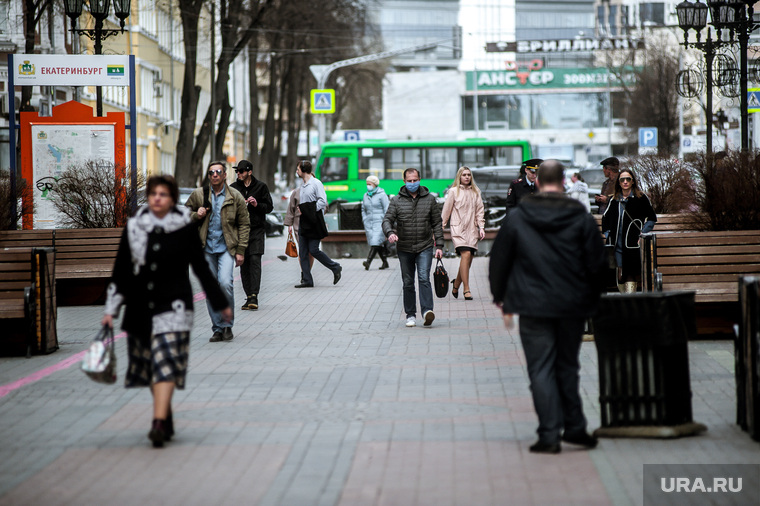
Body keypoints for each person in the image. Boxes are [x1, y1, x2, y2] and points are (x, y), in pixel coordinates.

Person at [102, 175, 232, 448]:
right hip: (139, 307)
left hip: (174, 306)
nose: (157, 198)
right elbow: (122, 270)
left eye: (163, 194)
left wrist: (221, 303)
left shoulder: (183, 227)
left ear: (172, 199)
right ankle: (165, 411)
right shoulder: (135, 226)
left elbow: (200, 268)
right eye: (153, 194)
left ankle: (158, 422)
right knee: (151, 366)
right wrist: (111, 309)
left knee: (166, 361)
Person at [489, 159, 606, 454]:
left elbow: (499, 259)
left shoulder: (518, 217)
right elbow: (597, 263)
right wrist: (593, 300)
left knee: (540, 368)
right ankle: (576, 428)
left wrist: (500, 297)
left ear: (538, 182)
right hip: (571, 304)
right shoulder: (579, 215)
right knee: (567, 366)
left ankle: (549, 435)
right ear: (564, 182)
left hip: (532, 303)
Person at [185, 161, 249, 342]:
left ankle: (227, 325)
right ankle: (218, 328)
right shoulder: (199, 194)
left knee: (225, 283)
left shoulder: (234, 196)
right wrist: (195, 215)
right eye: (211, 172)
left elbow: (244, 224)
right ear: (208, 175)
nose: (214, 175)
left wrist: (241, 250)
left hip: (226, 249)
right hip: (205, 249)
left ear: (224, 175)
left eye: (218, 172)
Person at [382, 168, 444, 328]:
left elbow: (437, 223)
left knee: (424, 278)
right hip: (404, 247)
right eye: (409, 181)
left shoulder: (430, 199)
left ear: (420, 179)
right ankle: (410, 315)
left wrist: (440, 245)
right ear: (404, 182)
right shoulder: (396, 200)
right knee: (408, 282)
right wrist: (390, 233)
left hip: (425, 246)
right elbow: (387, 220)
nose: (412, 183)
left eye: (415, 180)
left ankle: (427, 311)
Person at [601, 168, 657, 293]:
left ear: (632, 182)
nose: (625, 182)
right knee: (620, 275)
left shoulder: (641, 198)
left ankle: (630, 301)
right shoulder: (613, 200)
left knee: (630, 273)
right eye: (622, 179)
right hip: (616, 243)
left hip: (633, 243)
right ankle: (624, 298)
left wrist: (643, 233)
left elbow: (652, 218)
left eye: (628, 179)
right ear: (619, 183)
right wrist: (607, 234)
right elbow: (605, 218)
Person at [230, 159, 273, 311]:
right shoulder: (233, 188)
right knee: (244, 263)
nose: (238, 174)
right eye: (237, 171)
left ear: (249, 172)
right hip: (240, 231)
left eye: (241, 171)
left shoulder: (261, 187)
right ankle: (248, 296)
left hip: (256, 230)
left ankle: (254, 295)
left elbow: (269, 207)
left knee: (255, 260)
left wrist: (256, 205)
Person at [293, 160, 342, 288]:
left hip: (314, 221)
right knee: (302, 252)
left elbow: (322, 201)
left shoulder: (316, 183)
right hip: (304, 220)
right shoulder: (303, 184)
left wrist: (307, 209)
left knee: (313, 250)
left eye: (298, 169)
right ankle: (307, 280)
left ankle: (335, 267)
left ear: (303, 170)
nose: (296, 171)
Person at [441, 166, 485, 300]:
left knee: (468, 259)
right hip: (458, 229)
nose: (467, 177)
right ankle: (466, 289)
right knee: (465, 255)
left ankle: (456, 284)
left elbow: (480, 211)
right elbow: (446, 210)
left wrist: (481, 227)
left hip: (472, 230)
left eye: (469, 175)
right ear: (459, 176)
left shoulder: (476, 192)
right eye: (464, 175)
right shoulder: (453, 191)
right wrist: (441, 227)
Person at [283, 186, 314, 284]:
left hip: (313, 225)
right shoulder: (296, 192)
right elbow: (291, 208)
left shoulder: (317, 190)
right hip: (298, 224)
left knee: (311, 251)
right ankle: (304, 273)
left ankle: (307, 272)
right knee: (302, 251)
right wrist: (289, 224)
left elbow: (324, 205)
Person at [361, 175, 390, 270]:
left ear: (374, 184)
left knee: (375, 241)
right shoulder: (366, 195)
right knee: (377, 243)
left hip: (380, 222)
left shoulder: (382, 195)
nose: (367, 186)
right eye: (367, 184)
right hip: (369, 222)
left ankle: (368, 262)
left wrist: (386, 222)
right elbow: (363, 209)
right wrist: (365, 218)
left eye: (369, 184)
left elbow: (387, 209)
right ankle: (385, 262)